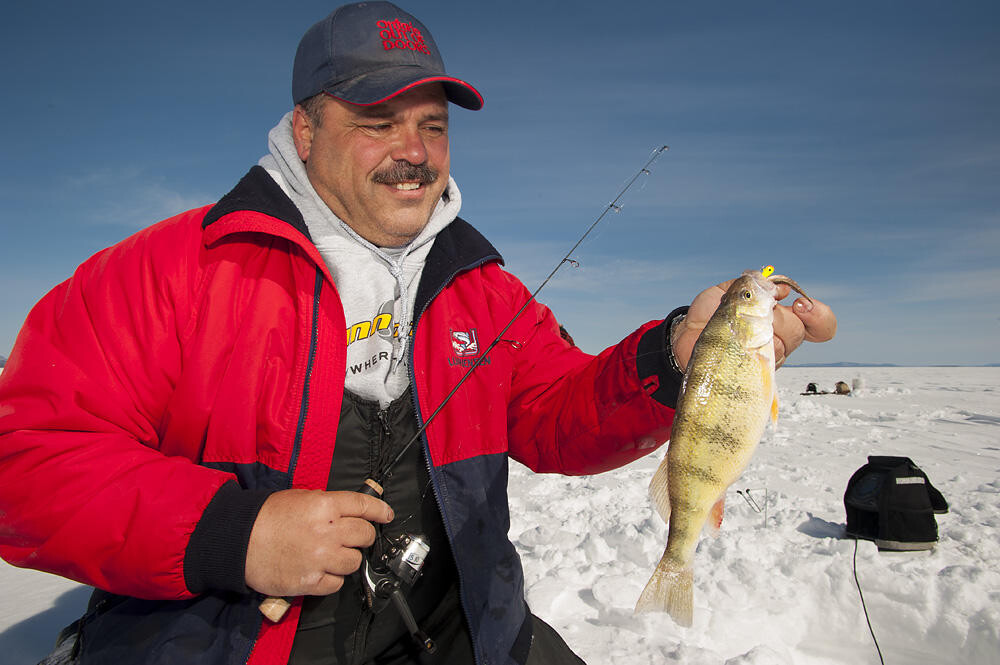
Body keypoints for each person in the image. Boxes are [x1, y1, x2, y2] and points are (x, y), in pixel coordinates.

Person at [0, 3, 837, 665]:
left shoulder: (483, 289)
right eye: (378, 121)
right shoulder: (168, 272)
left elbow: (557, 412)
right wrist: (232, 532)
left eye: (432, 125)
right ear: (305, 129)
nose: (414, 152)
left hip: (464, 629)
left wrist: (671, 358)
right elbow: (24, 456)